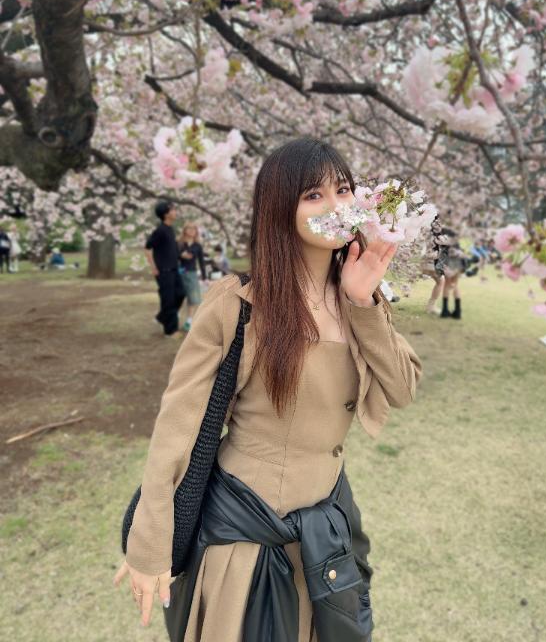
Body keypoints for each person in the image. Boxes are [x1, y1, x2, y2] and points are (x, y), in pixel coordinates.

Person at [114, 138, 422, 640]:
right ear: (280, 208)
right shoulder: (238, 304)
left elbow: (403, 389)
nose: (335, 206)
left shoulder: (359, 295)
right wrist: (149, 543)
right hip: (247, 536)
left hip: (326, 527)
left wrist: (364, 300)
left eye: (343, 190)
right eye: (312, 195)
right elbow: (178, 425)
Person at [145, 201, 185, 336]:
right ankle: (171, 331)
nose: (175, 211)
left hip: (175, 270)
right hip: (164, 272)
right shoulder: (160, 230)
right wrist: (153, 267)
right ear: (166, 214)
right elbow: (147, 247)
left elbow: (171, 250)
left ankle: (162, 317)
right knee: (168, 300)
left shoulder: (170, 229)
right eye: (173, 209)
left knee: (181, 293)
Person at [178, 222, 207, 333]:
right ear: (185, 230)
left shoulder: (197, 246)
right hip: (179, 273)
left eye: (194, 229)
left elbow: (201, 261)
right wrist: (181, 255)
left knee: (193, 298)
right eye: (189, 228)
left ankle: (188, 321)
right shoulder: (179, 243)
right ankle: (174, 318)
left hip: (192, 273)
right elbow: (174, 256)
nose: (191, 231)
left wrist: (204, 276)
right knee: (178, 297)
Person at [439, 227, 467, 320]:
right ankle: (457, 311)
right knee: (455, 285)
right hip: (458, 262)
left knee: (447, 285)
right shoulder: (455, 239)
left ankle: (445, 310)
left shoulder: (444, 235)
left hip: (450, 261)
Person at [421, 216, 446, 315]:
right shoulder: (436, 231)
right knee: (441, 282)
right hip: (430, 261)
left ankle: (431, 306)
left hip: (428, 260)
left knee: (441, 281)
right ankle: (431, 306)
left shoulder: (431, 229)